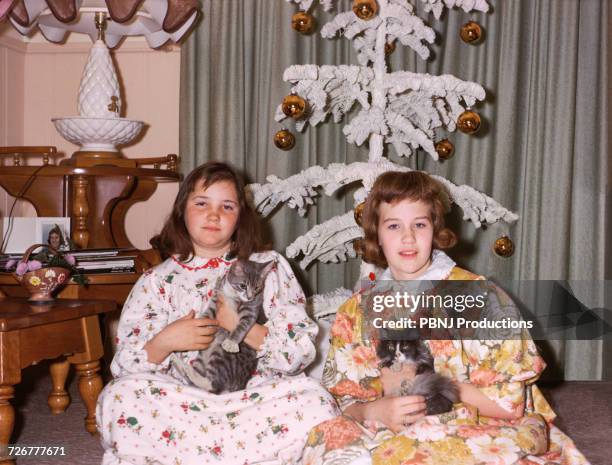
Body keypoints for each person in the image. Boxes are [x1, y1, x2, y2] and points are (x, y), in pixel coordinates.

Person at [302, 171, 590, 465]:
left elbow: (509, 406)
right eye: (393, 226)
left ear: (435, 230)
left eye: (419, 224)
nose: (408, 237)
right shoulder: (356, 311)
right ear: (376, 234)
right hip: (388, 426)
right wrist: (376, 411)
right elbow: (346, 402)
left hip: (473, 424)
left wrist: (438, 388)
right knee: (324, 437)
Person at [96, 162, 339, 465]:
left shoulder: (269, 267)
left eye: (227, 206)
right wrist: (164, 342)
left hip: (256, 401)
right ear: (181, 210)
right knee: (119, 398)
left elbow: (297, 354)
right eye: (202, 203)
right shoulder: (156, 281)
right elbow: (125, 366)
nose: (214, 215)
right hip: (181, 404)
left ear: (241, 218)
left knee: (316, 402)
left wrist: (243, 327)